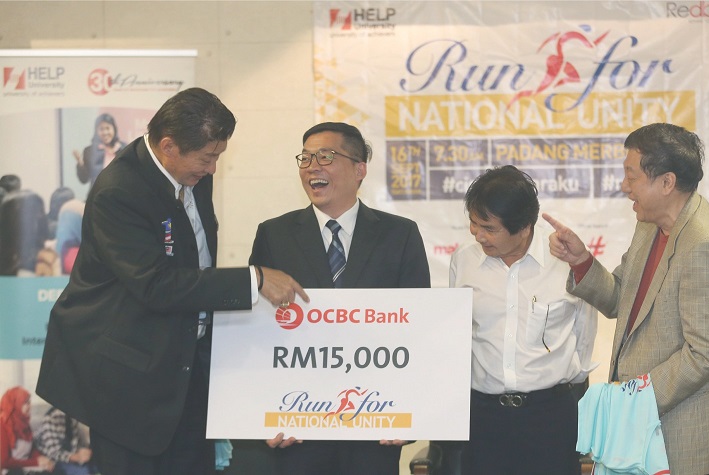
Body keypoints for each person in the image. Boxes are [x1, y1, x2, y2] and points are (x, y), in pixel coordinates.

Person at [36, 87, 307, 475]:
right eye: (208, 157)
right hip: (129, 382)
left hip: (184, 370)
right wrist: (254, 280)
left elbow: (193, 258)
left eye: (218, 156)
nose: (213, 169)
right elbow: (155, 285)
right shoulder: (119, 191)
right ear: (168, 146)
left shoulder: (193, 174)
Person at [544, 123, 709, 474]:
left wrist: (635, 399)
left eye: (631, 177)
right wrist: (581, 261)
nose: (624, 187)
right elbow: (622, 297)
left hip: (680, 439)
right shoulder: (651, 224)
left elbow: (706, 352)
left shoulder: (703, 244)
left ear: (666, 182)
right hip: (640, 431)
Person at [249, 121, 431, 475]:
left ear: (359, 169)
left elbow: (417, 328)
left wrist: (410, 413)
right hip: (299, 422)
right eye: (305, 158)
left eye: (325, 157)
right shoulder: (274, 234)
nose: (312, 167)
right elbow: (258, 331)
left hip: (375, 421)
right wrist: (265, 412)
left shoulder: (400, 234)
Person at [449, 165, 596, 475]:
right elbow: (457, 336)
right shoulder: (464, 260)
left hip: (551, 417)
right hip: (483, 417)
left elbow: (584, 332)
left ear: (524, 227)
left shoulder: (564, 260)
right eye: (474, 224)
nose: (478, 235)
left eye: (489, 228)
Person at [0, 386, 55, 474]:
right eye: (25, 403)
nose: (30, 406)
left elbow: (32, 449)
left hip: (26, 468)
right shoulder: (3, 424)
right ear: (15, 404)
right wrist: (36, 462)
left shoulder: (24, 422)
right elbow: (4, 462)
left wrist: (41, 458)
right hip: (12, 471)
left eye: (29, 402)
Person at [72, 113, 127, 189]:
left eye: (108, 128)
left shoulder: (124, 148)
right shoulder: (89, 151)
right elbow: (84, 180)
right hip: (98, 194)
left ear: (114, 129)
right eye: (101, 129)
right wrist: (80, 162)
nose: (105, 133)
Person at [35, 407, 95, 475]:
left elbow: (75, 442)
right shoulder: (50, 419)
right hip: (53, 460)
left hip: (70, 455)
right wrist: (77, 457)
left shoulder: (71, 416)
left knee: (97, 465)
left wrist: (84, 452)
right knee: (82, 472)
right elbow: (53, 452)